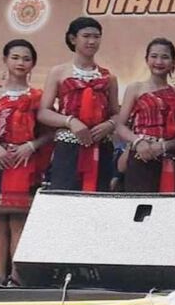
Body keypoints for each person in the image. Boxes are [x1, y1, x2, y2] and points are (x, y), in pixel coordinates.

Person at [0, 40, 53, 286]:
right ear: (5, 60)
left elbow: (49, 133)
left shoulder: (39, 97)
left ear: (33, 64)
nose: (20, 63)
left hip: (25, 162)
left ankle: (17, 278)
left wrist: (30, 146)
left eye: (26, 58)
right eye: (15, 57)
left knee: (18, 220)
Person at [38, 17, 119, 191]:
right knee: (65, 197)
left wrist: (110, 124)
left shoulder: (108, 77)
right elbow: (43, 112)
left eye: (96, 37)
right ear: (73, 39)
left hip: (100, 146)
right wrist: (70, 121)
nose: (92, 41)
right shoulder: (58, 72)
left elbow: (117, 113)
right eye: (86, 36)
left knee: (97, 197)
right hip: (68, 146)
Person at [116, 38, 175, 192]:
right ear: (147, 59)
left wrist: (163, 146)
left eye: (165, 57)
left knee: (166, 203)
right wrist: (138, 142)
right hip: (140, 155)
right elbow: (121, 126)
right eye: (154, 56)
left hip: (168, 158)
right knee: (138, 203)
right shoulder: (135, 89)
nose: (159, 62)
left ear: (173, 62)